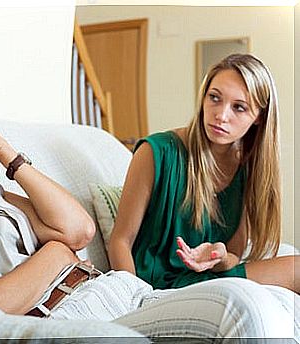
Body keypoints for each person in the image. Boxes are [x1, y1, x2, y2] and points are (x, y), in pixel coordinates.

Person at [0, 30, 297, 340]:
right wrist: (54, 257)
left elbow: (79, 230)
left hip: (114, 292)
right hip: (62, 317)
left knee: (263, 307)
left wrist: (5, 152)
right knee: (243, 310)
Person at [109, 53, 299, 294]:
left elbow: (232, 257)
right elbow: (120, 241)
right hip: (157, 286)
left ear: (259, 118)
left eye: (238, 107)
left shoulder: (247, 170)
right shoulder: (156, 152)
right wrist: (134, 297)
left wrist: (219, 256)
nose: (221, 115)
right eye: (215, 98)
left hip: (209, 281)